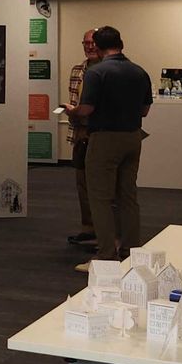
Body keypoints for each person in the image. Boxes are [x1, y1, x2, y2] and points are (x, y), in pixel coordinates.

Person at [69, 26, 154, 262]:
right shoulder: (139, 72)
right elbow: (145, 110)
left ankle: (106, 254)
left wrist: (71, 111)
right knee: (128, 196)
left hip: (104, 138)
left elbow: (86, 109)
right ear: (121, 43)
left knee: (100, 197)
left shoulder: (96, 73)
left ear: (97, 45)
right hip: (133, 137)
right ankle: (131, 250)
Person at [65, 29, 100, 250]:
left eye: (93, 43)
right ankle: (89, 229)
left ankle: (108, 234)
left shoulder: (108, 71)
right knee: (82, 184)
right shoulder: (78, 70)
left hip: (101, 134)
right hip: (80, 134)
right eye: (85, 43)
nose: (89, 47)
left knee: (103, 187)